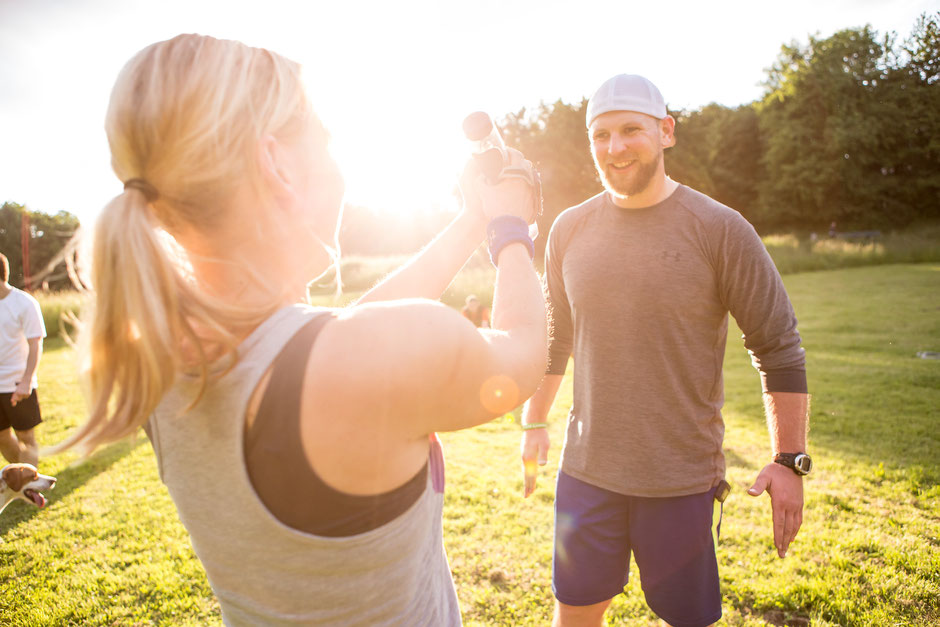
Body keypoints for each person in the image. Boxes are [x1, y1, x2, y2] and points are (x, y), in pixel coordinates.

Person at [49, 34, 546, 626]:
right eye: (328, 141)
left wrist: (472, 219)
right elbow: (522, 350)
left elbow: (341, 335)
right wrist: (511, 227)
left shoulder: (163, 356)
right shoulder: (344, 363)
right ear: (276, 162)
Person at [519, 74, 810, 627]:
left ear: (666, 132)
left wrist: (789, 460)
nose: (615, 147)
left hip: (679, 479)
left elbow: (778, 346)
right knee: (574, 613)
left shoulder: (720, 230)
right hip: (585, 474)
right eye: (601, 135)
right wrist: (534, 423)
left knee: (686, 619)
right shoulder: (568, 229)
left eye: (631, 130)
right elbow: (558, 336)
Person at [0, 252, 46, 468]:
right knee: (2, 439)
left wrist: (27, 380)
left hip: (18, 382)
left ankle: (29, 489)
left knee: (26, 438)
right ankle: (23, 479)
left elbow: (35, 344)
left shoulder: (24, 303)